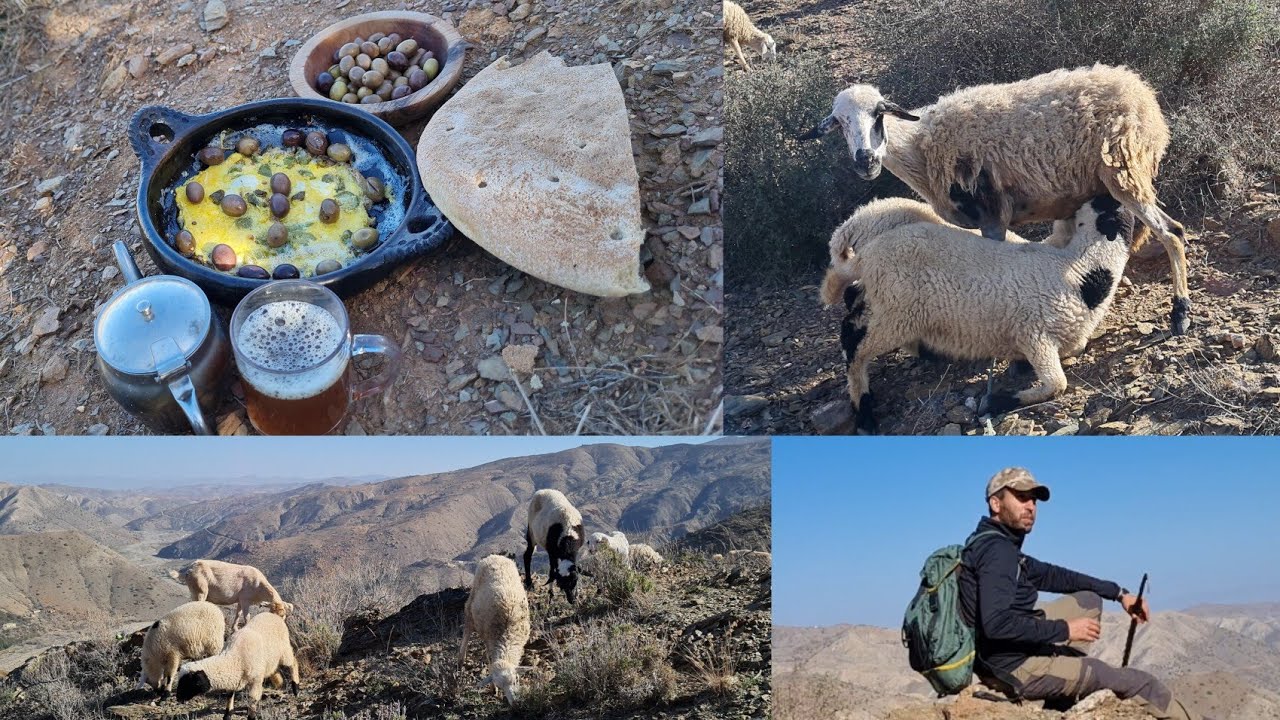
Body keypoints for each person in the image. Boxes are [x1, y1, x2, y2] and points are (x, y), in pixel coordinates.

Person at [958, 467, 1210, 720]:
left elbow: (1054, 576)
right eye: (1021, 498)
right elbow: (996, 625)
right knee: (1140, 682)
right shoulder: (998, 553)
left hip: (1002, 653)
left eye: (1034, 500)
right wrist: (1066, 630)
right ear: (996, 503)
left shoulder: (996, 544)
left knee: (1087, 600)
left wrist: (1120, 594)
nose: (1031, 507)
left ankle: (1065, 687)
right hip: (1015, 668)